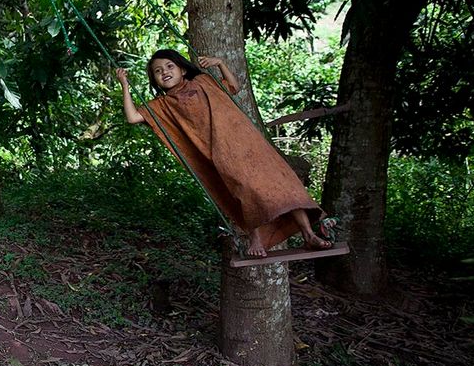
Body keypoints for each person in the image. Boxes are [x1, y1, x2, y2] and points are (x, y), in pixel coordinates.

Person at [116, 48, 333, 258]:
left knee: (284, 185)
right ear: (155, 81)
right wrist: (125, 85)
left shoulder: (202, 82)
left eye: (169, 66)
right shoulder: (162, 105)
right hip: (221, 152)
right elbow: (133, 117)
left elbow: (233, 86)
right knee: (244, 189)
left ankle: (308, 234)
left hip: (248, 143)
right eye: (158, 71)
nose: (165, 72)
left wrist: (220, 63)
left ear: (182, 69)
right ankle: (255, 237)